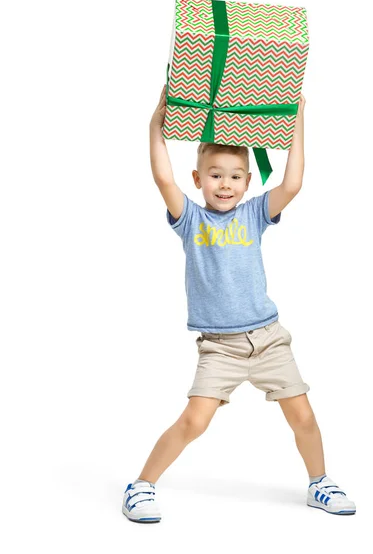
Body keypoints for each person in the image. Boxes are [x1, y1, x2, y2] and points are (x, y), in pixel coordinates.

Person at [122, 85, 356, 523]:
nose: (224, 183)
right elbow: (162, 177)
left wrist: (297, 119)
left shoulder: (253, 214)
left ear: (248, 182)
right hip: (220, 348)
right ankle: (141, 485)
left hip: (268, 339)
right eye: (214, 174)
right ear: (198, 179)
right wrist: (155, 123)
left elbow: (294, 182)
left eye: (234, 175)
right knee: (194, 421)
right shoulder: (190, 219)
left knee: (303, 416)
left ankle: (319, 483)